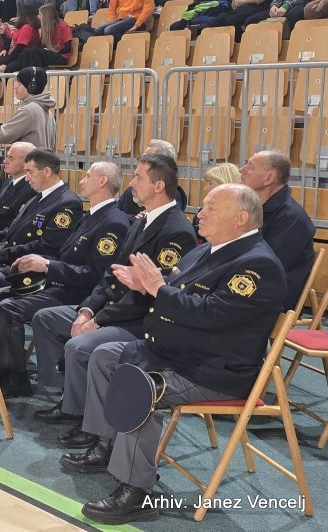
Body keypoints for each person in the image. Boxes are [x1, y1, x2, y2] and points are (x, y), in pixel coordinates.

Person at [66, 184, 286, 526]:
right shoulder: (207, 250)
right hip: (176, 352)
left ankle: (136, 492)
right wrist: (146, 284)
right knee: (105, 355)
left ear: (240, 218)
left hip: (212, 369)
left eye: (211, 208)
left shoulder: (258, 264)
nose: (200, 214)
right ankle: (105, 445)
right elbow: (177, 285)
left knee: (140, 386)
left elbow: (210, 314)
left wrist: (157, 287)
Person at [30, 154, 197, 443]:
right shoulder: (143, 221)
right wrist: (87, 310)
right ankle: (71, 400)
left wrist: (98, 320)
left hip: (140, 320)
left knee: (80, 346)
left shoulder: (177, 231)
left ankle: (88, 424)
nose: (131, 184)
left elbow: (148, 295)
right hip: (113, 309)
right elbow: (112, 274)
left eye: (139, 178)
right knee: (47, 318)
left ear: (158, 186)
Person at [0, 162, 131, 396]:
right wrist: (40, 263)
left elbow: (96, 275)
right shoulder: (93, 215)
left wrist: (48, 266)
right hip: (62, 284)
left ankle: (15, 379)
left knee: (9, 307)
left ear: (102, 182)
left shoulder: (113, 222)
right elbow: (67, 256)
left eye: (88, 175)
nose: (82, 180)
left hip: (78, 294)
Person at [0, 149, 85, 290]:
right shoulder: (37, 197)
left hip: (32, 268)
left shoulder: (67, 203)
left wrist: (2, 256)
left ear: (47, 172)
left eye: (30, 172)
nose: (26, 178)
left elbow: (49, 246)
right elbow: (13, 232)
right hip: (11, 260)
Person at [239, 150, 315, 310]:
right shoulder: (255, 209)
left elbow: (266, 268)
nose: (242, 170)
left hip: (267, 298)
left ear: (269, 178)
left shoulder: (292, 219)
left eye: (250, 167)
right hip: (247, 285)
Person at [0, 66, 56, 149]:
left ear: (31, 87)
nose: (15, 86)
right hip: (38, 160)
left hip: (28, 161)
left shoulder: (29, 111)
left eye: (19, 83)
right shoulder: (46, 109)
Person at [115, 139, 188, 216]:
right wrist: (134, 219)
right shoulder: (133, 188)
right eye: (142, 157)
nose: (131, 183)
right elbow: (115, 213)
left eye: (147, 158)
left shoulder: (171, 195)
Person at [0, 142, 38, 237]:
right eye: (7, 157)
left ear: (26, 163)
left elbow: (14, 226)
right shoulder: (8, 182)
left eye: (11, 158)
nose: (5, 161)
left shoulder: (31, 189)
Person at [4, 4, 73, 71]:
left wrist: (54, 51)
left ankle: (36, 74)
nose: (38, 16)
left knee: (34, 51)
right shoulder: (46, 28)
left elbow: (68, 48)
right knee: (27, 51)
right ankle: (27, 74)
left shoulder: (64, 26)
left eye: (40, 15)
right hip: (50, 54)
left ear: (46, 16)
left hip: (62, 56)